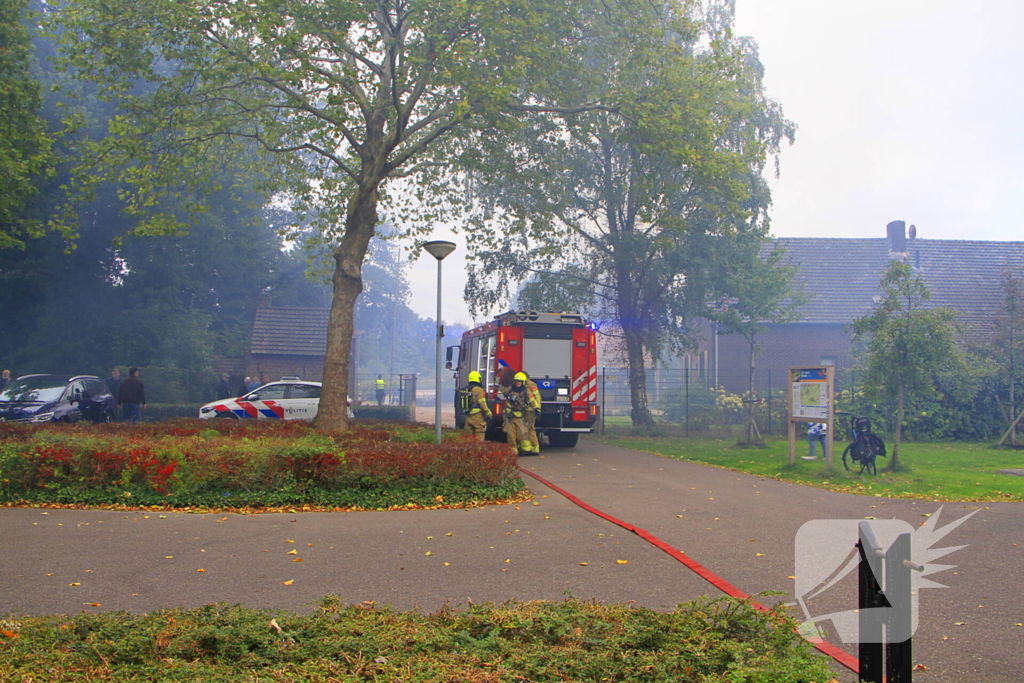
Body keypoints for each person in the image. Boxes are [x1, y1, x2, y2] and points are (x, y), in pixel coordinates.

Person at [501, 372, 531, 453]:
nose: (518, 383)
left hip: (520, 416)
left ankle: (518, 446)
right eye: (517, 381)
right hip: (510, 416)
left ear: (523, 382)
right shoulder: (510, 390)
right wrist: (508, 412)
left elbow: (531, 400)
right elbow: (506, 399)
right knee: (510, 434)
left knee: (521, 434)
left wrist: (536, 408)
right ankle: (513, 451)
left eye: (520, 381)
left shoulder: (526, 392)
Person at [462, 371, 492, 441]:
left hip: (468, 416)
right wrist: (489, 414)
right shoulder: (479, 390)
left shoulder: (466, 390)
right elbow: (482, 403)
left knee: (468, 439)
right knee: (479, 438)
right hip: (477, 417)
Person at [520, 371, 542, 455]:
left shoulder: (528, 384)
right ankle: (535, 448)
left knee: (525, 428)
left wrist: (536, 408)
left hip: (529, 410)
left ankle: (526, 448)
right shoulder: (531, 384)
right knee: (531, 429)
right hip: (531, 410)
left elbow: (536, 397)